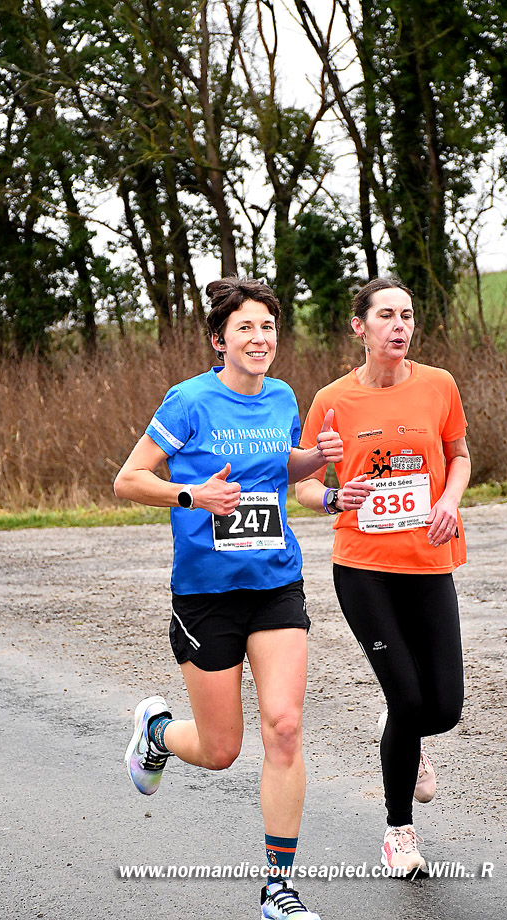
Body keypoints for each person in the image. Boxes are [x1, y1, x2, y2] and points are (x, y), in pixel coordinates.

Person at [114, 277, 343, 919]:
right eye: (245, 327)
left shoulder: (282, 397)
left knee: (285, 727)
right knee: (221, 751)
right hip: (206, 593)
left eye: (268, 327)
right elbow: (128, 480)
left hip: (275, 582)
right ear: (220, 340)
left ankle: (279, 887)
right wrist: (192, 495)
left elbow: (279, 467)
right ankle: (158, 732)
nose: (259, 338)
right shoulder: (189, 401)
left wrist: (314, 458)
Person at [295, 278, 471, 878]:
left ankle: (400, 729)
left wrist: (448, 499)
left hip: (430, 560)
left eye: (408, 315)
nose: (400, 326)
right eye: (387, 315)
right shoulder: (332, 400)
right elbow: (305, 484)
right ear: (359, 327)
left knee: (443, 709)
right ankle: (399, 832)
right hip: (363, 568)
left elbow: (460, 455)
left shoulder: (440, 385)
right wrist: (334, 497)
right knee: (408, 697)